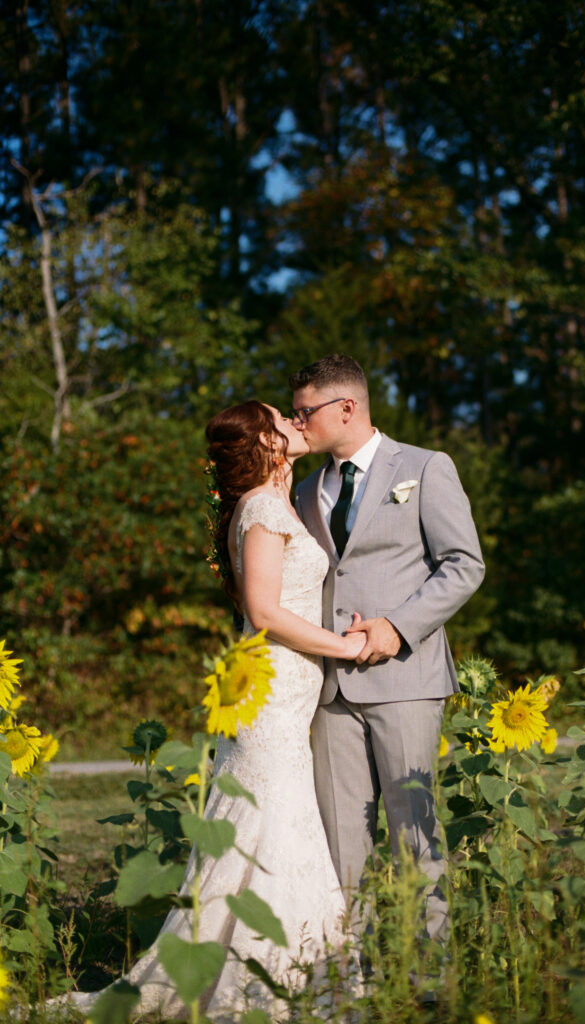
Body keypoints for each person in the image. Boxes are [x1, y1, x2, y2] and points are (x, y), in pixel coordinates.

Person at [52, 400, 366, 1022]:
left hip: (290, 695)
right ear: (265, 442)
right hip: (269, 698)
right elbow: (265, 612)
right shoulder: (261, 508)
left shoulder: (280, 502)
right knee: (275, 822)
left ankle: (286, 964)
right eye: (283, 420)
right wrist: (347, 645)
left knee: (273, 823)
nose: (295, 425)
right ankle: (277, 977)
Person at [290, 354, 485, 941]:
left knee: (414, 834)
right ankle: (350, 973)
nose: (297, 423)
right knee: (340, 843)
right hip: (328, 690)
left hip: (406, 679)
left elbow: (464, 565)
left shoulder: (426, 468)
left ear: (346, 407)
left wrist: (396, 628)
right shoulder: (303, 491)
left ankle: (428, 978)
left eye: (305, 413)